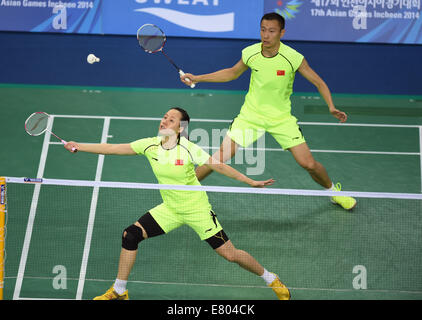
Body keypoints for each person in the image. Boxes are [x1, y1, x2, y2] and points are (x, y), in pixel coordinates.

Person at [64, 107, 290, 300]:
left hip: (197, 210)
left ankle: (271, 279)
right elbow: (112, 148)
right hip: (170, 209)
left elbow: (218, 165)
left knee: (231, 255)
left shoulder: (189, 149)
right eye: (164, 117)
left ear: (180, 128)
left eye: (171, 120)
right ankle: (119, 290)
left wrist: (249, 180)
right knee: (130, 235)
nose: (164, 120)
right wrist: (79, 145)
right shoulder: (149, 145)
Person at [180, 12, 356, 210]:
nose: (266, 35)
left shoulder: (293, 58)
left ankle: (334, 192)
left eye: (271, 31)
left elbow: (319, 82)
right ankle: (181, 191)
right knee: (219, 157)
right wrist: (198, 78)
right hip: (251, 116)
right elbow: (231, 73)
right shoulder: (251, 53)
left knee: (308, 164)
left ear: (282, 32)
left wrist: (331, 106)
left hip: (281, 118)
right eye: (263, 30)